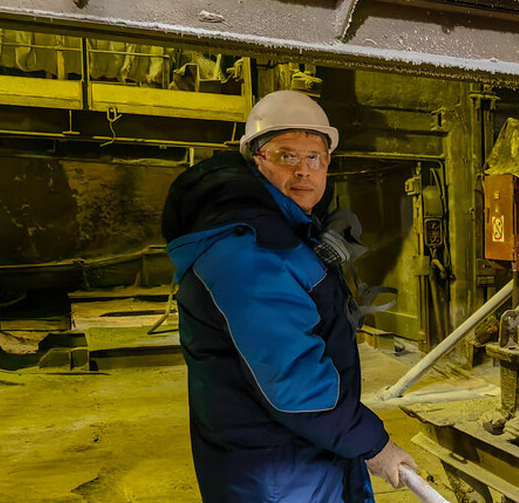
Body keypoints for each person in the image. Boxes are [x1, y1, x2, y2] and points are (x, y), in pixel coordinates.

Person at [161, 90, 418, 502]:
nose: (303, 171)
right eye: (286, 156)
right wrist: (374, 446)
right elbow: (294, 382)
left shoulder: (281, 236)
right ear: (256, 160)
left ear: (327, 164)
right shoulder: (248, 252)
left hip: (299, 455)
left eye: (314, 158)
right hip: (276, 473)